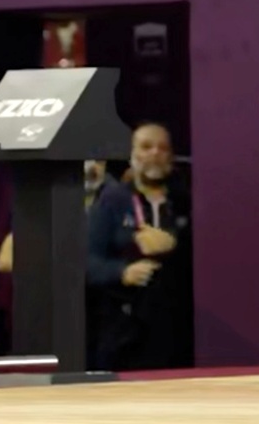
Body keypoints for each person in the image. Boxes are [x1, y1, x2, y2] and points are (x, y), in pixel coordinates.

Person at [86, 121, 193, 371]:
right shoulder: (113, 200)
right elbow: (86, 262)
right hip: (124, 329)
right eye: (146, 147)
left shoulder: (186, 200)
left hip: (178, 329)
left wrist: (176, 245)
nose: (155, 153)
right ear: (131, 154)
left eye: (163, 148)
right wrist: (122, 272)